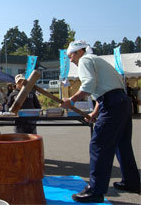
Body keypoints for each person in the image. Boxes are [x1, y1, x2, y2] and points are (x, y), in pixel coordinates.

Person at [60, 40, 140, 203]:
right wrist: (95, 113)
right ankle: (132, 182)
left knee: (99, 144)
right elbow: (103, 90)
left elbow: (89, 84)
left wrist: (72, 100)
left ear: (79, 52)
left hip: (112, 105)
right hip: (121, 102)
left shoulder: (85, 60)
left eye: (71, 56)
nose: (71, 60)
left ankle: (95, 190)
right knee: (122, 144)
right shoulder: (98, 60)